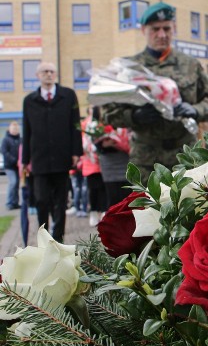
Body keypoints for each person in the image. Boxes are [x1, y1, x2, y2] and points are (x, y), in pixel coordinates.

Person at [102, 1, 208, 182]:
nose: (162, 35)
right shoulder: (130, 68)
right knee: (149, 208)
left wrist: (194, 110)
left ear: (174, 29)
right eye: (155, 29)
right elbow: (109, 114)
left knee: (191, 207)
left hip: (185, 156)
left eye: (167, 28)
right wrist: (135, 116)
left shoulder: (190, 64)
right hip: (146, 159)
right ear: (143, 31)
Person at [22, 62, 82, 242]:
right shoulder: (29, 101)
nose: (48, 74)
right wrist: (25, 159)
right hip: (39, 159)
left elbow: (76, 125)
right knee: (41, 200)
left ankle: (58, 237)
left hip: (62, 157)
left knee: (61, 201)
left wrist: (76, 152)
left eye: (51, 71)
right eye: (44, 72)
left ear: (55, 74)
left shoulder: (68, 96)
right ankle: (44, 237)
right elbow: (27, 130)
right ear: (38, 75)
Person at [92, 106, 131, 209]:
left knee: (126, 194)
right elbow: (95, 143)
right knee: (112, 195)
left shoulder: (124, 116)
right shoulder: (97, 124)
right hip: (108, 163)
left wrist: (121, 144)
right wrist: (104, 145)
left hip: (124, 160)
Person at [1, 121, 21, 210]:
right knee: (13, 182)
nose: (15, 130)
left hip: (18, 166)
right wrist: (14, 160)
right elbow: (5, 152)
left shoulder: (20, 140)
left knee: (17, 184)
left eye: (16, 129)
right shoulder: (6, 140)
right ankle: (9, 202)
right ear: (10, 129)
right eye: (13, 128)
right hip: (9, 166)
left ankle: (15, 202)